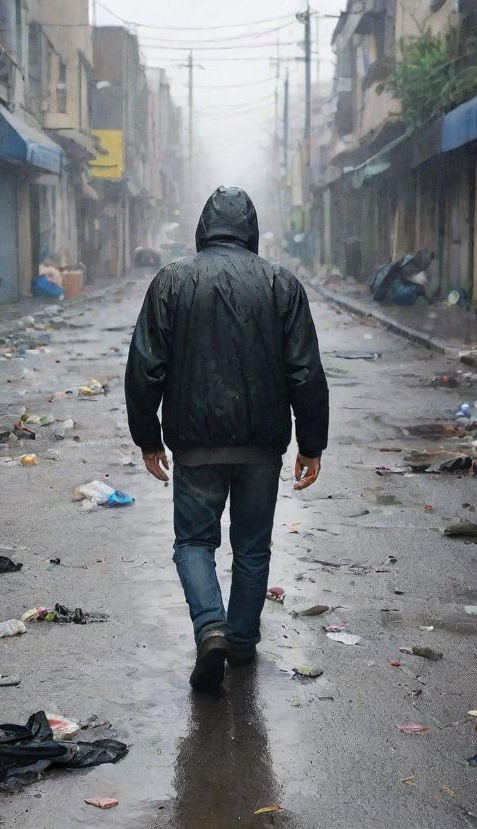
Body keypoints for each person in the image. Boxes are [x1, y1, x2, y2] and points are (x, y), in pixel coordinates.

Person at [125, 187, 329, 690]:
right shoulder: (282, 284)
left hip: (196, 444)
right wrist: (311, 443)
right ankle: (240, 642)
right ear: (251, 230)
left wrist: (148, 438)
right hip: (262, 446)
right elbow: (304, 371)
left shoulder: (173, 280)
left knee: (194, 542)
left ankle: (210, 625)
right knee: (252, 548)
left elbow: (145, 368)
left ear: (204, 227)